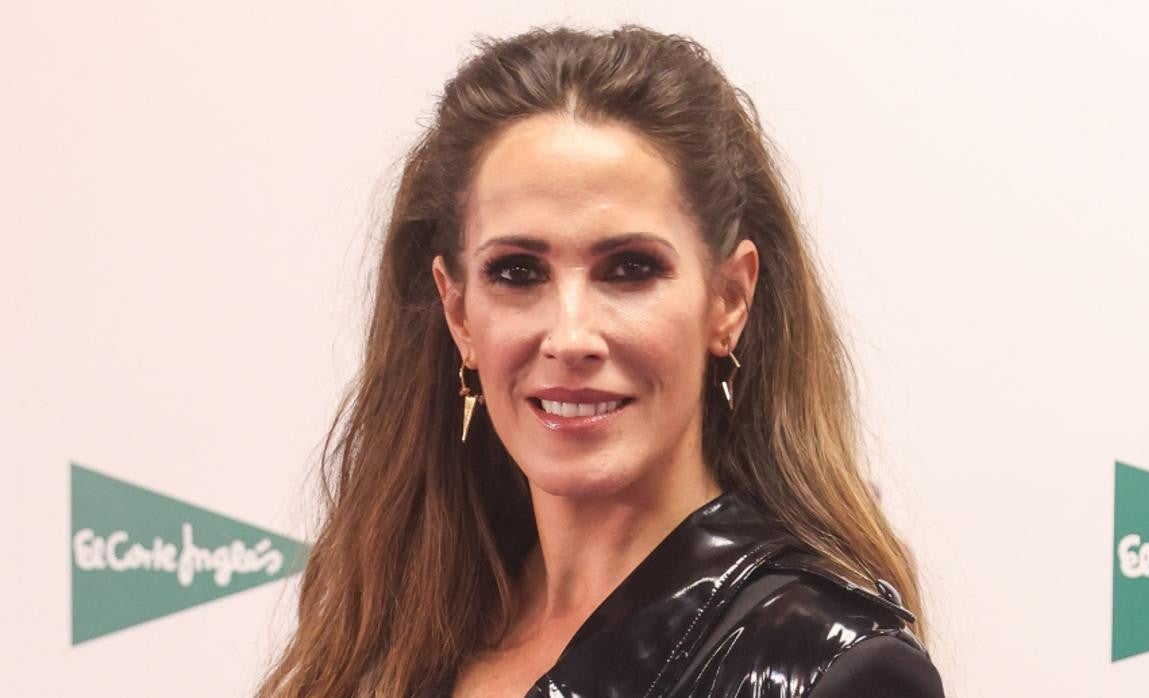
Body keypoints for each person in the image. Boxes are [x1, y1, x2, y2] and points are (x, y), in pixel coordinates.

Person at [257, 24, 944, 697]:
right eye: (518, 272)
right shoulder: (390, 634)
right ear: (459, 313)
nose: (571, 336)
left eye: (630, 268)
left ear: (728, 300)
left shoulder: (829, 670)